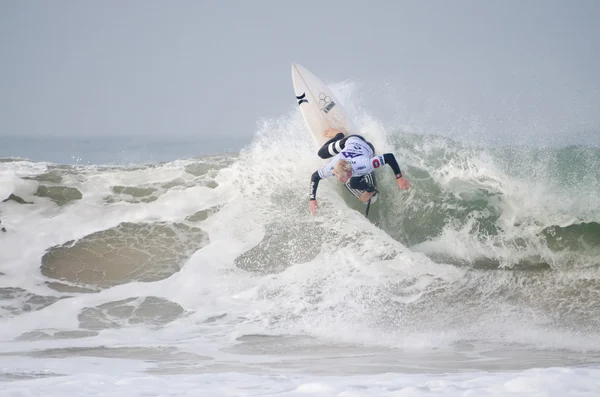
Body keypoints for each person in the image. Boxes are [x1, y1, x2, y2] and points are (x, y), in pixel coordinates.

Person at [309, 128, 411, 215]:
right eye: (336, 176)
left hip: (363, 144)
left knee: (354, 183)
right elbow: (315, 176)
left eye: (340, 177)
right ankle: (339, 135)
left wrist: (399, 178)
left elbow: (389, 157)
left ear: (349, 173)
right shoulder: (332, 167)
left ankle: (371, 189)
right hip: (347, 143)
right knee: (321, 153)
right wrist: (312, 199)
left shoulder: (364, 164)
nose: (338, 179)